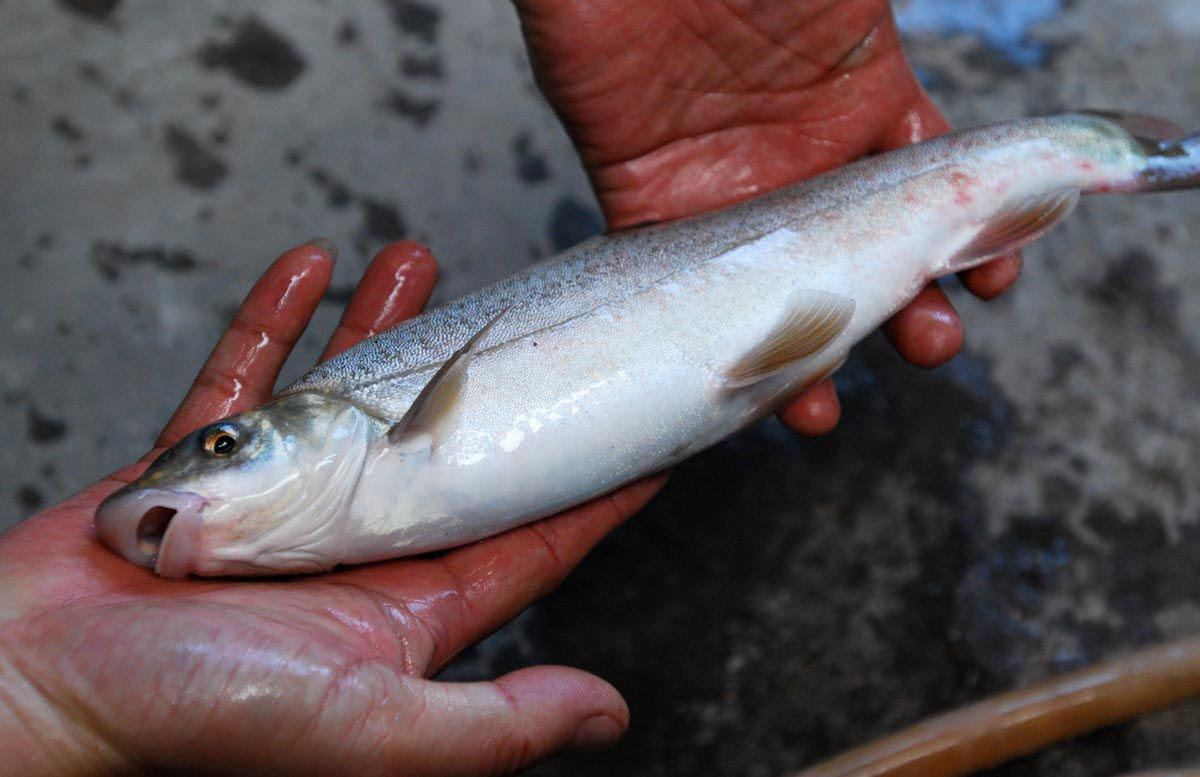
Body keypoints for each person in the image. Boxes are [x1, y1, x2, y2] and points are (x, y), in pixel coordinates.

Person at [0, 1, 1021, 774]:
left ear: (329, 418)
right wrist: (34, 699)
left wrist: (33, 694)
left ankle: (1050, 162)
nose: (201, 472)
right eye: (218, 453)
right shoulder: (335, 517)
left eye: (227, 447)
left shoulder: (374, 458)